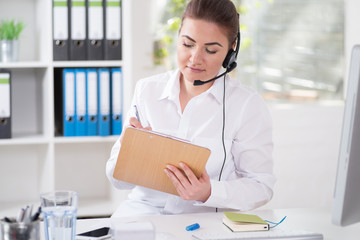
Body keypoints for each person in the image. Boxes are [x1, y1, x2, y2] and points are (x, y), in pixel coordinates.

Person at [106, 0, 275, 217]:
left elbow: (261, 186)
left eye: (211, 50)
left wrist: (209, 191)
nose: (195, 59)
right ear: (178, 38)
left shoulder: (246, 105)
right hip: (142, 217)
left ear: (230, 53)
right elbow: (116, 180)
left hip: (204, 223)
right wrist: (130, 153)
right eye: (187, 44)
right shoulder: (147, 90)